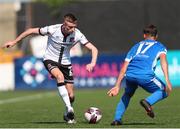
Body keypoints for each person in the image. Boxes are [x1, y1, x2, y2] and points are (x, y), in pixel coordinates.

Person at [2, 13, 98, 124]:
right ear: (64, 24)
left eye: (74, 27)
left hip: (66, 64)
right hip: (50, 59)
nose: (72, 30)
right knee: (59, 76)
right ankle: (70, 109)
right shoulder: (53, 29)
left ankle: (67, 113)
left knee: (71, 95)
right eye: (70, 27)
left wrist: (92, 63)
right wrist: (14, 42)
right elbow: (30, 31)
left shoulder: (77, 34)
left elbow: (94, 49)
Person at [107, 24, 172, 125]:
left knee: (127, 94)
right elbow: (164, 62)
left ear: (144, 35)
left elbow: (124, 67)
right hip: (145, 76)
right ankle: (148, 102)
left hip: (130, 75)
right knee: (164, 90)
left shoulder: (136, 46)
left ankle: (117, 119)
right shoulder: (160, 46)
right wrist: (167, 80)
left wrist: (117, 86)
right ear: (156, 36)